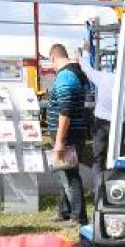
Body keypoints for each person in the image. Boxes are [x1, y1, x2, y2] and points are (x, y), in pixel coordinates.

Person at [77, 44, 125, 198]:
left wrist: (84, 55)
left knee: (98, 158)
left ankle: (98, 192)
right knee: (117, 158)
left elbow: (87, 70)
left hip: (101, 122)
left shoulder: (104, 77)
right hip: (118, 124)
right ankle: (115, 190)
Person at [46, 42, 88, 224]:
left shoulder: (64, 77)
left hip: (68, 134)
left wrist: (59, 141)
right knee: (64, 172)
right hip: (74, 132)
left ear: (53, 58)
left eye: (51, 62)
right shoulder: (74, 74)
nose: (52, 66)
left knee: (70, 175)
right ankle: (64, 211)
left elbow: (65, 112)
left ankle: (78, 215)